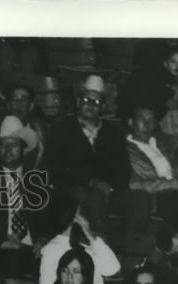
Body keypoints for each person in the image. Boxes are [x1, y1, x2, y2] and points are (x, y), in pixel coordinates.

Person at [46, 74, 130, 230]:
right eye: (86, 100)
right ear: (78, 102)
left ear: (103, 107)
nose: (91, 105)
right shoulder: (61, 129)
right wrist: (92, 182)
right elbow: (57, 166)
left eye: (97, 101)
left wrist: (109, 186)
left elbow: (124, 170)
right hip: (72, 188)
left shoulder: (115, 133)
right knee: (89, 195)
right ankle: (99, 245)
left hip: (108, 191)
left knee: (136, 200)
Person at [0, 116, 48, 253]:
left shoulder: (35, 180)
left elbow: (49, 218)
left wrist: (43, 239)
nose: (7, 149)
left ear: (23, 149)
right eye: (3, 145)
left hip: (33, 249)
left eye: (13, 144)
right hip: (0, 248)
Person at [38, 193, 121, 284]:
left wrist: (92, 237)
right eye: (80, 214)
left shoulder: (88, 246)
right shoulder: (52, 249)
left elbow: (112, 269)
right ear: (74, 219)